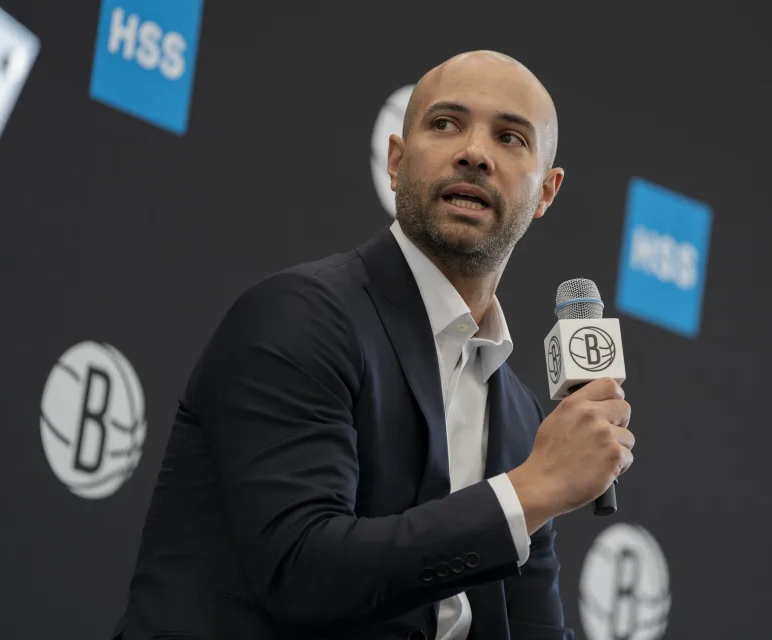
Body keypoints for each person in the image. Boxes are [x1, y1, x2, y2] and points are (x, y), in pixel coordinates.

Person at [111, 50, 635, 640]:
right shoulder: (298, 316)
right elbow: (302, 569)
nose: (475, 152)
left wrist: (531, 487)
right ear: (396, 160)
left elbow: (532, 627)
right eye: (445, 124)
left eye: (511, 137)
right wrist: (531, 490)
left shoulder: (517, 415)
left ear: (546, 192)